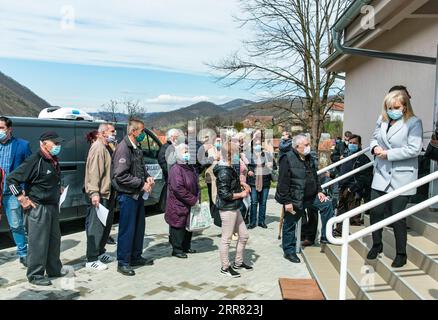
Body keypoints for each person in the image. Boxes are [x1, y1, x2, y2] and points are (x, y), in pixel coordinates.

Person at [367, 90, 423, 268]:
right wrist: (375, 147)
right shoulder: (382, 119)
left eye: (396, 107)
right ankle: (377, 244)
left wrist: (388, 153)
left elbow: (414, 149)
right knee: (375, 212)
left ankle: (401, 253)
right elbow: (374, 138)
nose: (392, 110)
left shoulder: (414, 122)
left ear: (405, 106)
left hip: (402, 176)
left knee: (398, 216)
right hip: (382, 174)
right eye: (389, 107)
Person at [7, 131, 66, 286]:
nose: (58, 146)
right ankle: (35, 275)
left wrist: (57, 188)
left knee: (54, 240)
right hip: (38, 208)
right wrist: (21, 198)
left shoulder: (53, 159)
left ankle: (54, 269)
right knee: (38, 242)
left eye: (59, 143)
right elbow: (11, 179)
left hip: (52, 206)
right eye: (55, 143)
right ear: (43, 143)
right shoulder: (35, 160)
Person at [275, 135, 334, 263]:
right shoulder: (287, 158)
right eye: (306, 145)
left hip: (312, 196)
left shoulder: (309, 158)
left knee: (327, 205)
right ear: (297, 147)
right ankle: (289, 251)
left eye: (308, 144)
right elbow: (283, 182)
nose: (308, 147)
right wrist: (287, 202)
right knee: (290, 224)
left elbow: (314, 176)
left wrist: (319, 191)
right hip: (295, 199)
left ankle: (325, 236)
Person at [111, 119, 155, 276]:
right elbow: (120, 175)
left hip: (137, 195)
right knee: (127, 230)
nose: (143, 134)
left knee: (138, 228)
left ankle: (136, 256)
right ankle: (123, 262)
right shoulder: (123, 148)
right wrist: (141, 184)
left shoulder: (136, 147)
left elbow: (141, 168)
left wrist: (148, 177)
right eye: (142, 131)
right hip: (128, 195)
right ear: (133, 131)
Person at [214, 139, 252, 278]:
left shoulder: (230, 168)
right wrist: (241, 194)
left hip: (235, 207)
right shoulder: (224, 171)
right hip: (228, 208)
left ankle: (238, 262)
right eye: (237, 152)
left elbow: (232, 183)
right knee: (226, 239)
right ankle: (225, 267)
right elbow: (224, 194)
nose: (239, 155)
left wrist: (242, 184)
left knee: (244, 235)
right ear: (230, 155)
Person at [84, 123, 118, 271]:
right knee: (96, 227)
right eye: (111, 131)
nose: (114, 134)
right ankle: (91, 259)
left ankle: (100, 252)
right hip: (100, 194)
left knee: (105, 226)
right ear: (103, 133)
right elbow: (94, 172)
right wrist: (94, 193)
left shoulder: (107, 147)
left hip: (108, 192)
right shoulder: (98, 148)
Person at [0, 116, 31, 267]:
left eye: (1, 128)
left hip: (12, 193)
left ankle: (23, 253)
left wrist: (24, 190)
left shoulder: (22, 146)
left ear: (9, 129)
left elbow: (29, 169)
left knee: (16, 224)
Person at [334, 134, 372, 236]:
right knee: (341, 210)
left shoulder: (363, 159)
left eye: (354, 143)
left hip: (354, 190)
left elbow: (365, 176)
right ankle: (339, 230)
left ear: (360, 144)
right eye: (350, 143)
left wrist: (352, 188)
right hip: (343, 187)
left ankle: (351, 234)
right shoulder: (347, 156)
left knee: (353, 213)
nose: (352, 145)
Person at [165, 144, 199, 259]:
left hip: (189, 203)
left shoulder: (190, 167)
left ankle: (186, 246)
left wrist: (196, 197)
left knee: (188, 226)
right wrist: (193, 199)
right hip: (178, 204)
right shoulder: (176, 169)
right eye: (185, 151)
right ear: (178, 154)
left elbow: (196, 183)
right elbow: (178, 188)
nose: (187, 153)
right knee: (178, 226)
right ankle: (177, 249)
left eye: (188, 151)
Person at [247, 131, 276, 229]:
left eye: (259, 143)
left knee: (263, 203)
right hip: (253, 181)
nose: (258, 145)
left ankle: (261, 221)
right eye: (256, 143)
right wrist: (249, 171)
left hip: (265, 181)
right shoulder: (249, 155)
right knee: (254, 202)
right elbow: (246, 166)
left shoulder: (267, 155)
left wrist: (271, 165)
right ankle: (252, 222)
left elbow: (274, 166)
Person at [205, 136, 221, 212]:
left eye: (220, 141)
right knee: (211, 192)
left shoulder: (223, 150)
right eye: (217, 141)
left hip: (219, 176)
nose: (219, 143)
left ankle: (217, 211)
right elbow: (206, 161)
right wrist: (215, 158)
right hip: (210, 175)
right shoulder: (209, 150)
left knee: (218, 193)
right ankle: (212, 211)